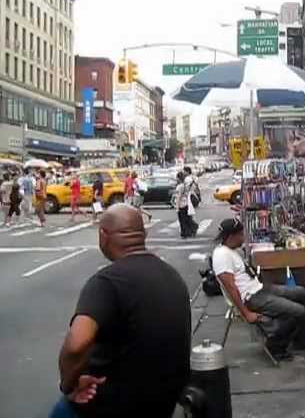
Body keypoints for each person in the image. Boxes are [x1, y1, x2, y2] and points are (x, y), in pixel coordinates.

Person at [50, 204, 191, 418]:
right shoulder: (172, 276)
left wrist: (69, 385)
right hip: (163, 402)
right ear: (144, 234)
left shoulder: (106, 282)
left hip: (112, 405)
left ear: (103, 236)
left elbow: (76, 344)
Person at [212, 218, 305, 361]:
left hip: (259, 288)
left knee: (301, 293)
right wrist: (246, 313)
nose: (243, 238)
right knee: (297, 311)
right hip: (251, 298)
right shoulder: (221, 256)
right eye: (241, 235)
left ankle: (301, 340)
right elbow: (230, 287)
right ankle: (276, 346)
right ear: (231, 236)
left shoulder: (230, 250)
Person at [175, 171, 194, 239]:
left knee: (182, 220)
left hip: (181, 204)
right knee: (186, 219)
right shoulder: (185, 185)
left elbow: (178, 197)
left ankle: (184, 233)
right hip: (185, 203)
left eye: (177, 177)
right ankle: (189, 232)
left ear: (179, 178)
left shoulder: (180, 186)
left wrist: (177, 207)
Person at [183, 166, 199, 235]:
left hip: (189, 197)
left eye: (184, 171)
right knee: (190, 214)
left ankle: (193, 227)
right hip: (193, 196)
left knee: (187, 214)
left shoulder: (187, 179)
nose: (183, 173)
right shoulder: (194, 178)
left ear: (187, 171)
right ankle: (192, 229)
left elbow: (186, 189)